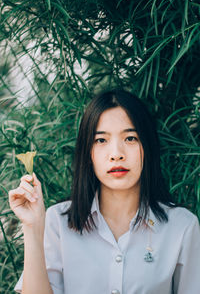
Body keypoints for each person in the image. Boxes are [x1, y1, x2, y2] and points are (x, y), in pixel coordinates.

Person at [9, 89, 200, 294]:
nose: (116, 154)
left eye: (130, 138)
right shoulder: (57, 222)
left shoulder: (182, 227)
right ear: (88, 153)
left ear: (147, 146)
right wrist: (32, 227)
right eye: (101, 140)